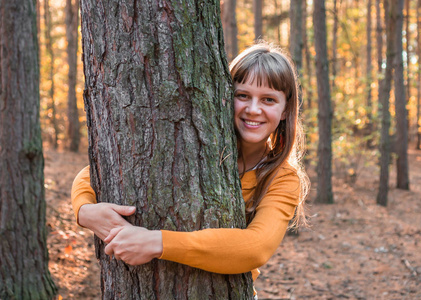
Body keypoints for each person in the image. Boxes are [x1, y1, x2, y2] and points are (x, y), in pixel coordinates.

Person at [71, 41, 309, 290]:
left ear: (285, 110)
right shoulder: (198, 142)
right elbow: (92, 173)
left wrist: (156, 243)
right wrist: (84, 211)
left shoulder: (283, 178)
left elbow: (256, 248)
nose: (253, 109)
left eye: (268, 100)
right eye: (243, 95)